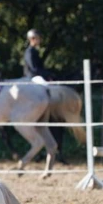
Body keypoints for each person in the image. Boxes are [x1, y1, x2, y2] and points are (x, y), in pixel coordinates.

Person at [24, 29, 66, 163]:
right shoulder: (29, 52)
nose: (39, 40)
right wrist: (47, 75)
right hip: (32, 78)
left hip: (37, 75)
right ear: (32, 39)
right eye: (37, 38)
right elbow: (35, 69)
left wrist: (49, 74)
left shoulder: (35, 51)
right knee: (48, 87)